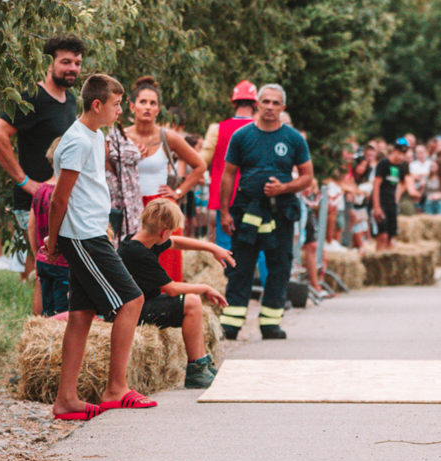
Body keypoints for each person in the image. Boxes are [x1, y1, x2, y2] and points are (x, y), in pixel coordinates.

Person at [46, 73, 151, 418]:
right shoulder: (77, 140)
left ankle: (66, 400)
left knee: (81, 314)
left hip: (91, 233)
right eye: (116, 104)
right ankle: (116, 389)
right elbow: (59, 198)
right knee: (132, 300)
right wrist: (53, 240)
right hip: (83, 236)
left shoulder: (94, 136)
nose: (120, 110)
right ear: (97, 104)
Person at [0, 34, 83, 302]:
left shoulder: (70, 99)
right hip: (34, 202)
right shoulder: (33, 97)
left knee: (55, 272)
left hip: (58, 199)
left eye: (77, 63)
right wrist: (24, 181)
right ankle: (43, 324)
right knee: (47, 272)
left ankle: (52, 321)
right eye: (65, 62)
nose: (72, 68)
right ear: (49, 64)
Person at [218, 84, 313, 341]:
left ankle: (271, 324)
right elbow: (228, 174)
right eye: (266, 101)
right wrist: (225, 212)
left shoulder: (294, 138)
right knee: (240, 268)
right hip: (246, 211)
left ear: (283, 107)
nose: (270, 107)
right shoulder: (242, 136)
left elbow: (307, 176)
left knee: (279, 267)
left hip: (281, 212)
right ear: (257, 104)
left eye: (275, 103)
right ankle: (231, 325)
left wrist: (284, 188)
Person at [118, 199, 234, 389]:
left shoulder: (141, 239)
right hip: (130, 312)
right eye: (171, 231)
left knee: (192, 301)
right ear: (163, 233)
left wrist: (212, 247)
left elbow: (176, 242)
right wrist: (205, 288)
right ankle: (196, 370)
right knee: (191, 302)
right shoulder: (138, 253)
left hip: (141, 303)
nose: (171, 236)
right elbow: (171, 288)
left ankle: (202, 362)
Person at [123, 77, 207, 282]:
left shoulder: (167, 136)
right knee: (130, 270)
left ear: (158, 110)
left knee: (166, 268)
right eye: (143, 102)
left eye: (153, 103)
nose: (147, 107)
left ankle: (171, 302)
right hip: (130, 207)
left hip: (161, 209)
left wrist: (178, 192)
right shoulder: (121, 136)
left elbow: (200, 166)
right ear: (132, 106)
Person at [202, 80, 258, 251]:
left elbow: (203, 160)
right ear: (255, 104)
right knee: (255, 246)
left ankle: (228, 270)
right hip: (253, 196)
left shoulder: (217, 129)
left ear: (234, 103)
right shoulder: (261, 130)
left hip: (225, 195)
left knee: (225, 246)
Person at [31, 139, 71, 316]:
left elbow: (31, 226)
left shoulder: (40, 190)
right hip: (64, 262)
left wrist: (37, 254)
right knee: (62, 313)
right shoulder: (66, 193)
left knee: (46, 310)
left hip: (43, 259)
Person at [373, 139, 410, 251]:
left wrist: (397, 195)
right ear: (393, 150)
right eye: (399, 153)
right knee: (382, 235)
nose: (401, 157)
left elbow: (404, 183)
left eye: (403, 154)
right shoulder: (383, 164)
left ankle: (387, 258)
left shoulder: (401, 167)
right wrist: (376, 207)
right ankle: (378, 257)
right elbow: (376, 186)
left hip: (392, 204)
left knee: (391, 236)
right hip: (381, 202)